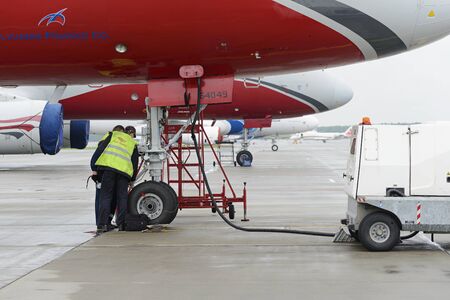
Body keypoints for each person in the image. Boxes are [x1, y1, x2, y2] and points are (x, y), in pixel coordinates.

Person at [93, 125, 138, 233]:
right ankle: (121, 224)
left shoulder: (112, 135)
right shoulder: (132, 143)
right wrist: (132, 180)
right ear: (132, 134)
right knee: (122, 198)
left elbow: (100, 150)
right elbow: (134, 164)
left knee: (105, 197)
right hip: (123, 172)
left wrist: (95, 169)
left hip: (108, 169)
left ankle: (102, 224)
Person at [91, 125, 125, 227]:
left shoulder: (111, 141)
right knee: (103, 199)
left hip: (109, 173)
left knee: (109, 199)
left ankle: (106, 222)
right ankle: (101, 223)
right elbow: (95, 158)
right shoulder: (107, 141)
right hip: (103, 175)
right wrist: (95, 170)